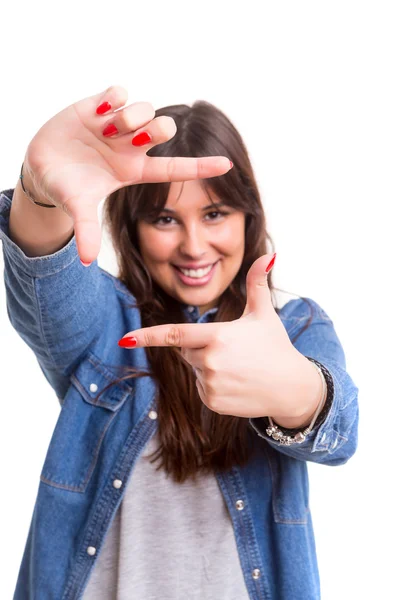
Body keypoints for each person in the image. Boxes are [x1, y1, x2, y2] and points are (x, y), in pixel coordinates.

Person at [0, 85, 359, 600]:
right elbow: (49, 282)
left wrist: (295, 392)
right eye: (165, 219)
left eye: (214, 214)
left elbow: (341, 432)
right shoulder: (108, 326)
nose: (193, 247)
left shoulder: (297, 327)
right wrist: (40, 195)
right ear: (133, 228)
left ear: (248, 217)